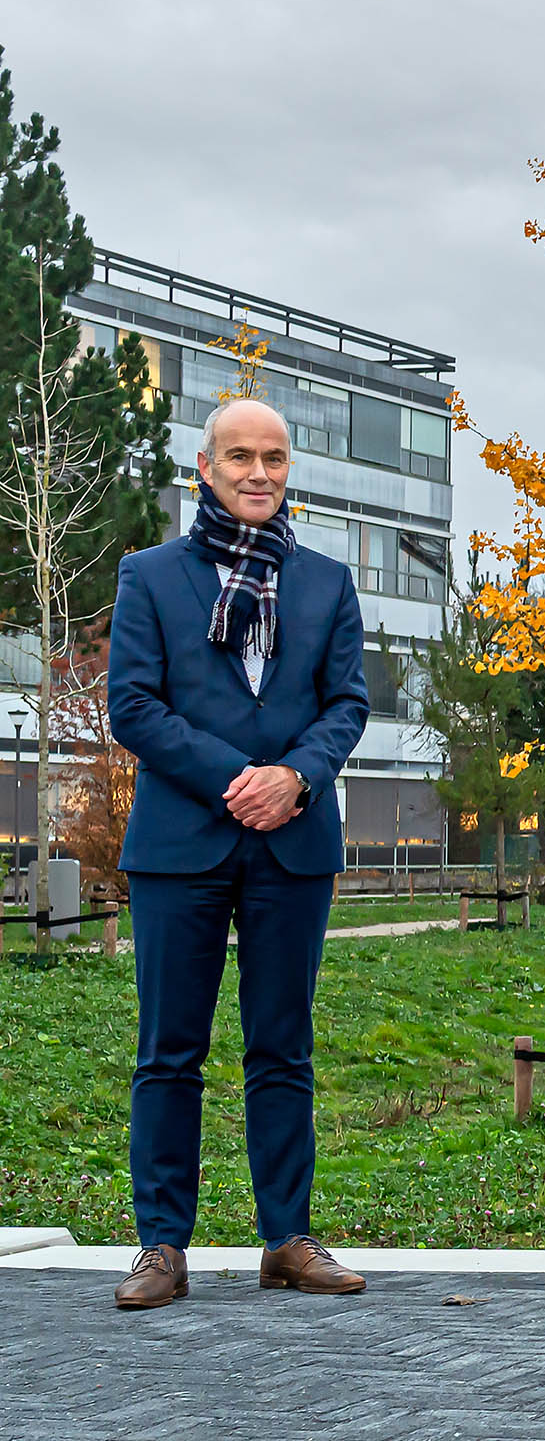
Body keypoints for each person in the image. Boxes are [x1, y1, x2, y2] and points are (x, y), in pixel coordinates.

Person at [104, 397, 374, 1310]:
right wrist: (240, 778)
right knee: (168, 1050)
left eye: (275, 458)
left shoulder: (328, 582)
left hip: (294, 846)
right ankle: (161, 1245)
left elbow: (347, 705)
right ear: (206, 471)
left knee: (283, 1046)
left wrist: (296, 778)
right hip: (180, 846)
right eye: (241, 457)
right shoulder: (149, 575)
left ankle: (286, 1238)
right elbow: (133, 706)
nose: (260, 473)